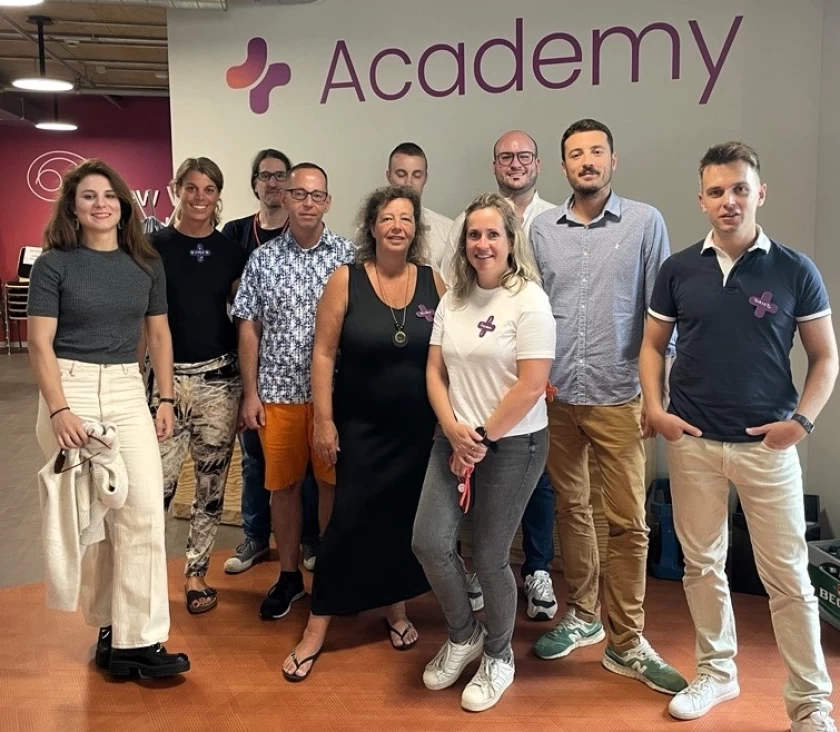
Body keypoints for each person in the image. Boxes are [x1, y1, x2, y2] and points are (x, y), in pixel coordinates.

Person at [641, 141, 837, 732]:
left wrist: (800, 422)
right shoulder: (678, 269)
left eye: (740, 189)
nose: (730, 201)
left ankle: (810, 705)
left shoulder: (793, 269)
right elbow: (652, 347)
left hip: (767, 449)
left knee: (790, 581)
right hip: (693, 442)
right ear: (702, 199)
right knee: (702, 567)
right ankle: (717, 673)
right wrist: (656, 409)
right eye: (717, 191)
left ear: (760, 193)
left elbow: (825, 358)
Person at [530, 118, 685, 695]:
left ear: (613, 161)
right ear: (564, 166)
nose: (587, 161)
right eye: (576, 154)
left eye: (597, 152)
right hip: (559, 397)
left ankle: (627, 642)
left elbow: (661, 317)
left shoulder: (645, 222)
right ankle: (585, 615)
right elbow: (532, 311)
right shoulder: (542, 229)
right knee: (572, 509)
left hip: (622, 396)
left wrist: (656, 395)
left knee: (630, 524)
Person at [27, 158, 189, 678]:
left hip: (124, 386)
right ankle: (107, 628)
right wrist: (58, 409)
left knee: (141, 511)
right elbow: (38, 344)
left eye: (109, 196)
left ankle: (139, 641)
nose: (101, 204)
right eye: (88, 197)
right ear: (73, 209)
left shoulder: (145, 264)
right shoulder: (55, 265)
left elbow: (159, 335)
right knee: (91, 521)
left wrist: (164, 399)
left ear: (124, 206)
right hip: (68, 387)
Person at [281, 185, 444, 682]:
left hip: (417, 430)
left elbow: (446, 357)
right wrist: (324, 421)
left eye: (407, 219)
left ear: (416, 230)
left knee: (400, 523)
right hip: (359, 428)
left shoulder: (434, 281)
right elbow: (324, 354)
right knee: (347, 522)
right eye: (388, 218)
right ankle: (318, 624)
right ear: (371, 227)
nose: (397, 225)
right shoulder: (345, 279)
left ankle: (395, 608)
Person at [412, 192, 555, 712]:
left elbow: (532, 383)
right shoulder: (452, 300)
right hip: (454, 438)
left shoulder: (529, 300)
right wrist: (453, 429)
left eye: (493, 233)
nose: (482, 243)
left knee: (490, 557)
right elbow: (434, 370)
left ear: (511, 241)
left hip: (513, 443)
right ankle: (463, 634)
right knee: (429, 542)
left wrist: (480, 440)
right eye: (474, 234)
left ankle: (499, 655)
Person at [231, 162, 355, 620]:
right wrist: (250, 393)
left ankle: (328, 574)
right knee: (282, 488)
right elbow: (249, 328)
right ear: (284, 198)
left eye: (316, 195)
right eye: (298, 194)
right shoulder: (262, 260)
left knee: (330, 486)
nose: (307, 202)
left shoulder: (348, 255)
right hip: (277, 394)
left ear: (328, 201)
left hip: (334, 399)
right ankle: (288, 578)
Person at [150, 157, 247, 614]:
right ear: (176, 190)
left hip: (219, 383)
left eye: (209, 190)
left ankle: (195, 573)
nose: (200, 198)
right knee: (156, 488)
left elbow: (245, 318)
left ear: (218, 195)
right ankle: (145, 576)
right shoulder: (151, 249)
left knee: (211, 487)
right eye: (191, 188)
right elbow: (144, 324)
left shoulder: (229, 251)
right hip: (165, 387)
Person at [221, 148, 292, 575]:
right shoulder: (234, 234)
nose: (273, 183)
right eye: (265, 176)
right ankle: (254, 537)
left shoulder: (303, 232)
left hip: (291, 367)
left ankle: (304, 540)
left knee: (294, 462)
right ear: (254, 183)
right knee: (254, 458)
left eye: (280, 176)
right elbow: (225, 290)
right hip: (248, 364)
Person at [385, 142, 453, 272]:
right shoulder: (370, 229)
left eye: (417, 175)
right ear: (389, 176)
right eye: (401, 174)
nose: (408, 183)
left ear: (425, 178)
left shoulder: (448, 230)